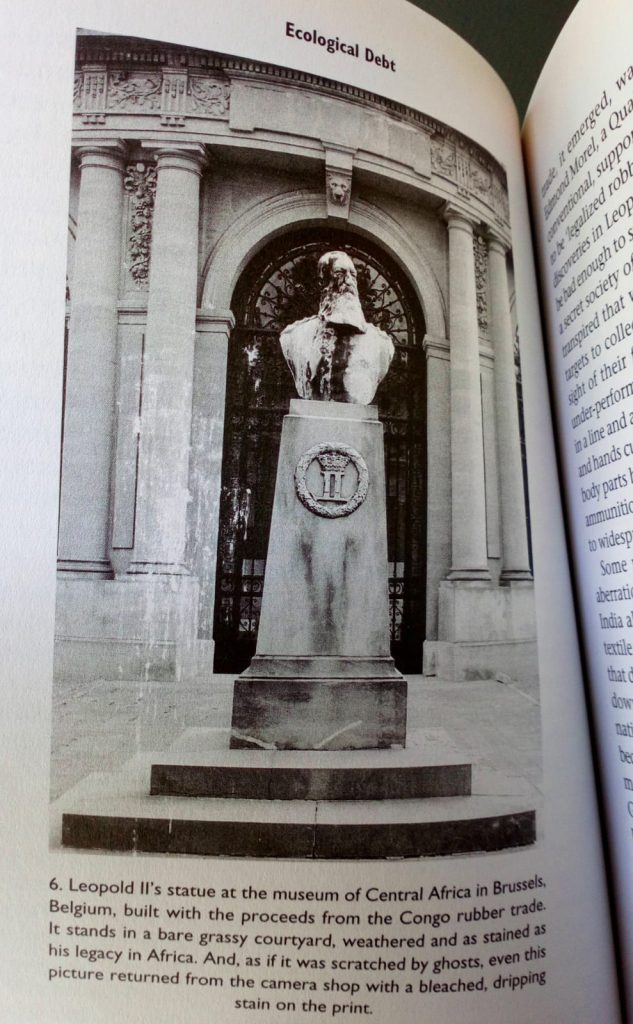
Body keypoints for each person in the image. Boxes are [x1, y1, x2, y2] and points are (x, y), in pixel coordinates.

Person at [280, 251, 394, 404]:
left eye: (353, 275)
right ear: (323, 283)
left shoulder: (381, 343)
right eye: (339, 273)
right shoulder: (295, 336)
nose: (348, 281)